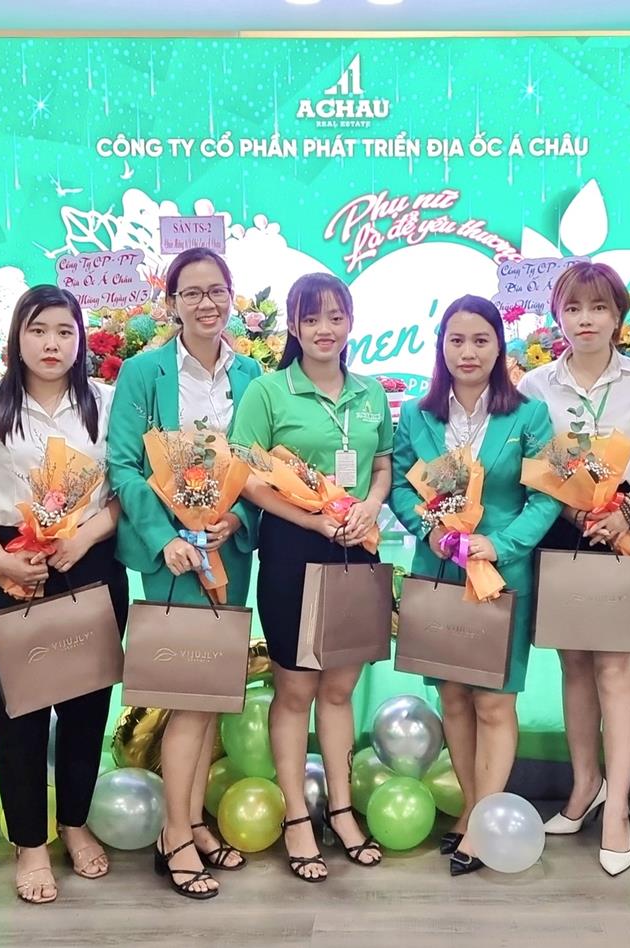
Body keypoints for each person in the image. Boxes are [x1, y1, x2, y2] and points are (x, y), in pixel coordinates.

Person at [0, 285, 123, 905]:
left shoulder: (106, 402)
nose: (52, 343)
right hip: (6, 563)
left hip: (87, 559)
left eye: (65, 331)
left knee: (86, 705)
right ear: (16, 337)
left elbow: (125, 489)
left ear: (81, 339)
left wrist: (84, 538)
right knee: (18, 710)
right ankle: (29, 841)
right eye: (38, 330)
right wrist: (1, 560)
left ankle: (74, 821)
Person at [106, 248, 263, 899]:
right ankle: (174, 837)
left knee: (213, 694)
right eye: (192, 292)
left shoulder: (252, 373)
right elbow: (122, 464)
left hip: (229, 551)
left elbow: (262, 461)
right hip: (172, 557)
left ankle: (191, 822)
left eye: (216, 290)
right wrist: (164, 536)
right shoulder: (143, 373)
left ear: (231, 298)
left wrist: (238, 519)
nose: (206, 303)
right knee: (189, 697)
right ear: (171, 303)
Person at [518, 261, 630, 877]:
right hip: (561, 527)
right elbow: (529, 462)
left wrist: (628, 510)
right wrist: (568, 506)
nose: (585, 320)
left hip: (625, 528)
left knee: (615, 667)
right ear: (557, 317)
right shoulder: (536, 385)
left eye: (599, 308)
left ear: (618, 315)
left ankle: (618, 808)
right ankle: (585, 786)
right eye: (573, 308)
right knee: (574, 665)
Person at [389, 295, 562, 877]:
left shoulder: (528, 416)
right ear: (441, 346)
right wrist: (430, 528)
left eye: (481, 340)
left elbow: (546, 495)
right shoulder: (419, 415)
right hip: (438, 574)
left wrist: (502, 544)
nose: (468, 352)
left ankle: (485, 818)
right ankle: (470, 808)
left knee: (493, 700)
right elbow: (402, 487)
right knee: (454, 697)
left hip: (500, 578)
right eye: (456, 340)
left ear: (498, 346)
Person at [230, 272, 392, 882]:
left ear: (351, 323)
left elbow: (383, 463)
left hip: (358, 549)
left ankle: (342, 810)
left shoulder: (371, 393)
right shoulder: (268, 392)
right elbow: (246, 476)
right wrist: (310, 520)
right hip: (293, 551)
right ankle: (297, 815)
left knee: (340, 691)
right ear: (293, 327)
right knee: (296, 691)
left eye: (336, 317)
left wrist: (371, 504)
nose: (325, 329)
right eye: (311, 318)